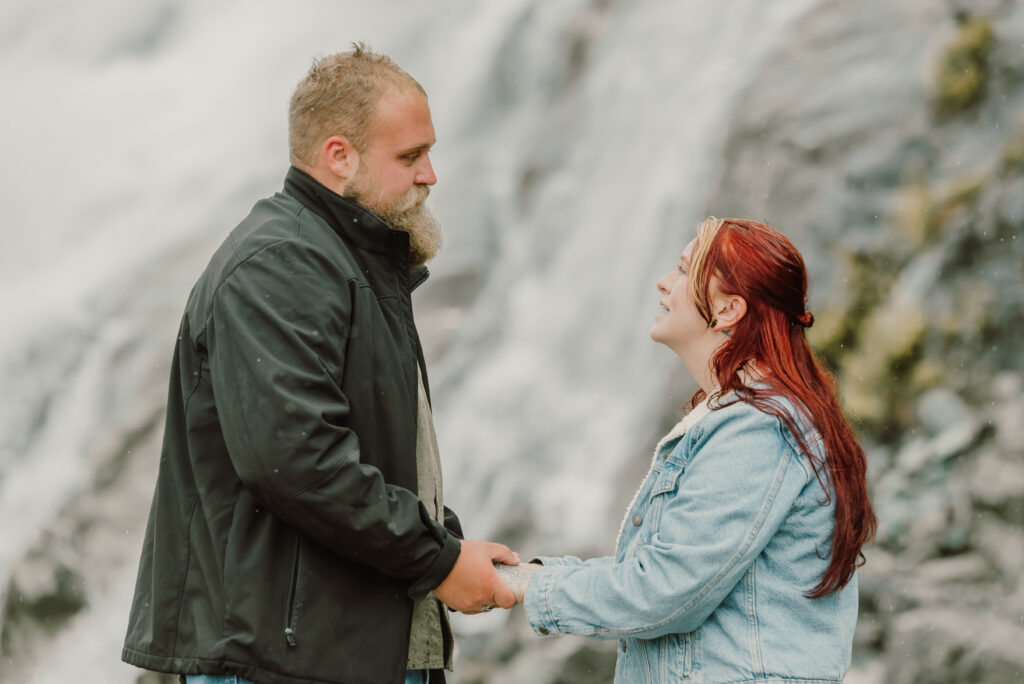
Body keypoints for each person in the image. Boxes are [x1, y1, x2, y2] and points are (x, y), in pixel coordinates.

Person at [121, 44, 518, 684]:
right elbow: (298, 461)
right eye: (411, 156)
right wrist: (439, 561)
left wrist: (448, 543)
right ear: (340, 156)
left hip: (340, 649)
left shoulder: (349, 261)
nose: (431, 175)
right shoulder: (280, 263)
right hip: (284, 661)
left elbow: (369, 454)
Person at [497, 217, 877, 683]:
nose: (663, 283)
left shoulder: (758, 429)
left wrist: (523, 584)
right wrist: (529, 574)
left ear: (728, 309)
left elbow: (663, 591)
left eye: (681, 271)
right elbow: (662, 574)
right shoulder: (757, 418)